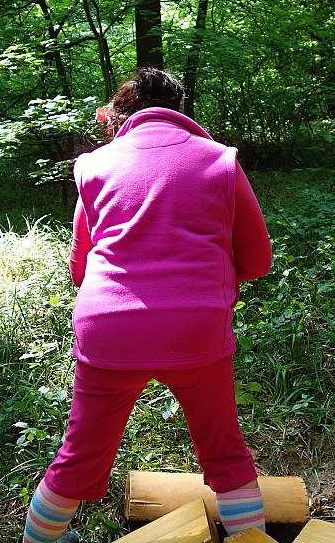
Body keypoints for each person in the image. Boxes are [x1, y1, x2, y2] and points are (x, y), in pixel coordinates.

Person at [22, 68, 272, 543]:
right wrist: (205, 280)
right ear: (180, 111)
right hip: (196, 331)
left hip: (109, 330)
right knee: (225, 453)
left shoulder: (95, 166)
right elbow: (258, 259)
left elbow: (80, 268)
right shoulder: (220, 160)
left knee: (78, 455)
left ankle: (39, 539)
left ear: (120, 115)